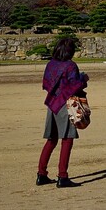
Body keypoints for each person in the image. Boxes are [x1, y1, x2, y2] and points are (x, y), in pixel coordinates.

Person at [37, 36, 88, 188]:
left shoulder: (50, 64)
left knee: (51, 139)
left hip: (52, 104)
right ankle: (63, 176)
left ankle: (41, 174)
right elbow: (74, 86)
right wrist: (84, 79)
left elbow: (46, 84)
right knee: (67, 139)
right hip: (65, 105)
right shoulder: (70, 65)